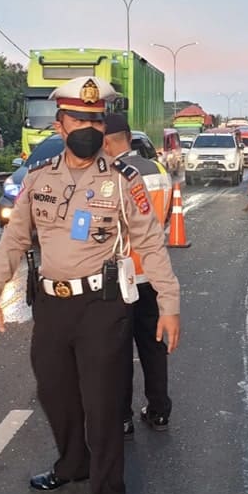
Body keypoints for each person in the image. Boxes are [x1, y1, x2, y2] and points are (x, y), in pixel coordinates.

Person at [0, 77, 181, 494]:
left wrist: (169, 305)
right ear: (60, 126)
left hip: (102, 308)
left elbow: (150, 244)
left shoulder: (125, 181)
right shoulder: (37, 179)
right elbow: (14, 239)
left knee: (104, 405)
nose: (89, 126)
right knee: (55, 392)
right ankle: (73, 464)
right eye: (79, 118)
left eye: (96, 118)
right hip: (51, 306)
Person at [102, 114, 174, 438]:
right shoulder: (159, 171)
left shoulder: (112, 177)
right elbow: (167, 216)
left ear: (106, 142)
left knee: (116, 353)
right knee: (153, 346)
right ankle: (159, 411)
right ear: (130, 139)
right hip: (152, 275)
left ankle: (123, 419)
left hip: (119, 278)